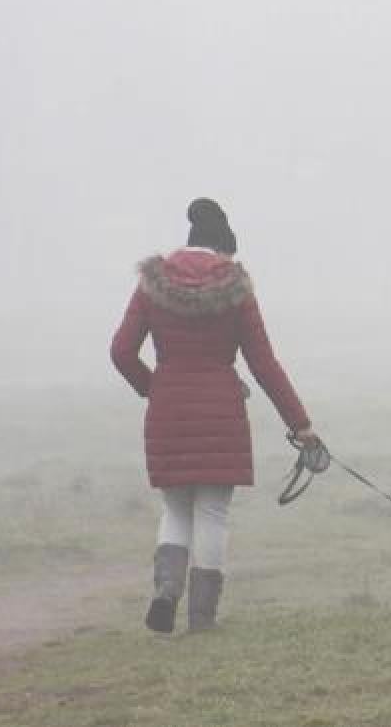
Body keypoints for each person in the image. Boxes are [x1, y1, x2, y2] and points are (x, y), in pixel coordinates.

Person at [110, 198, 317, 633]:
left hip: (168, 413)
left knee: (176, 509)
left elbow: (122, 351)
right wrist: (301, 425)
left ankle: (166, 590)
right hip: (221, 414)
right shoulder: (235, 288)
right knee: (212, 514)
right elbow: (263, 363)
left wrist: (155, 389)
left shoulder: (152, 284)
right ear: (223, 249)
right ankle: (202, 618)